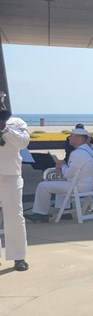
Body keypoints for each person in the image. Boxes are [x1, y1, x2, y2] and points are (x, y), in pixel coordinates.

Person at [25, 127, 93, 223]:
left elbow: (68, 174)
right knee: (59, 183)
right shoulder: (89, 151)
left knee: (42, 186)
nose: (69, 138)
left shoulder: (77, 153)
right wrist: (64, 168)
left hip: (77, 187)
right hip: (88, 185)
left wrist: (62, 166)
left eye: (71, 136)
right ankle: (64, 211)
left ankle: (41, 214)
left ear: (78, 138)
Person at [0, 105, 31, 271]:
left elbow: (23, 143)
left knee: (14, 217)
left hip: (10, 175)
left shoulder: (16, 122)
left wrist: (5, 129)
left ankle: (18, 256)